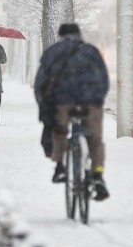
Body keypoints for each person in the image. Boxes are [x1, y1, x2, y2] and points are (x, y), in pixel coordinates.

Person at [34, 23, 110, 201]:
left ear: (61, 36)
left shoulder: (53, 52)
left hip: (63, 101)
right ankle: (98, 176)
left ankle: (60, 167)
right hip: (90, 102)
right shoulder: (91, 51)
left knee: (59, 131)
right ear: (79, 34)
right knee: (96, 140)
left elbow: (40, 84)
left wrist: (44, 105)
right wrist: (97, 101)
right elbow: (103, 79)